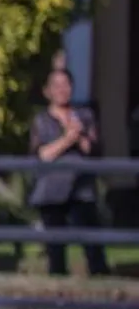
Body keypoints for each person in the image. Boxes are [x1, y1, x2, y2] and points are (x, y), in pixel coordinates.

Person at [29, 69, 110, 277]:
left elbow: (93, 150)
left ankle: (101, 282)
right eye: (57, 85)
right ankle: (58, 288)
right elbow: (43, 155)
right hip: (52, 190)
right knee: (56, 247)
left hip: (82, 189)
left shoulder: (85, 116)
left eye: (66, 85)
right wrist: (67, 139)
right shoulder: (41, 120)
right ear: (48, 91)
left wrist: (80, 135)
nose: (62, 90)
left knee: (93, 243)